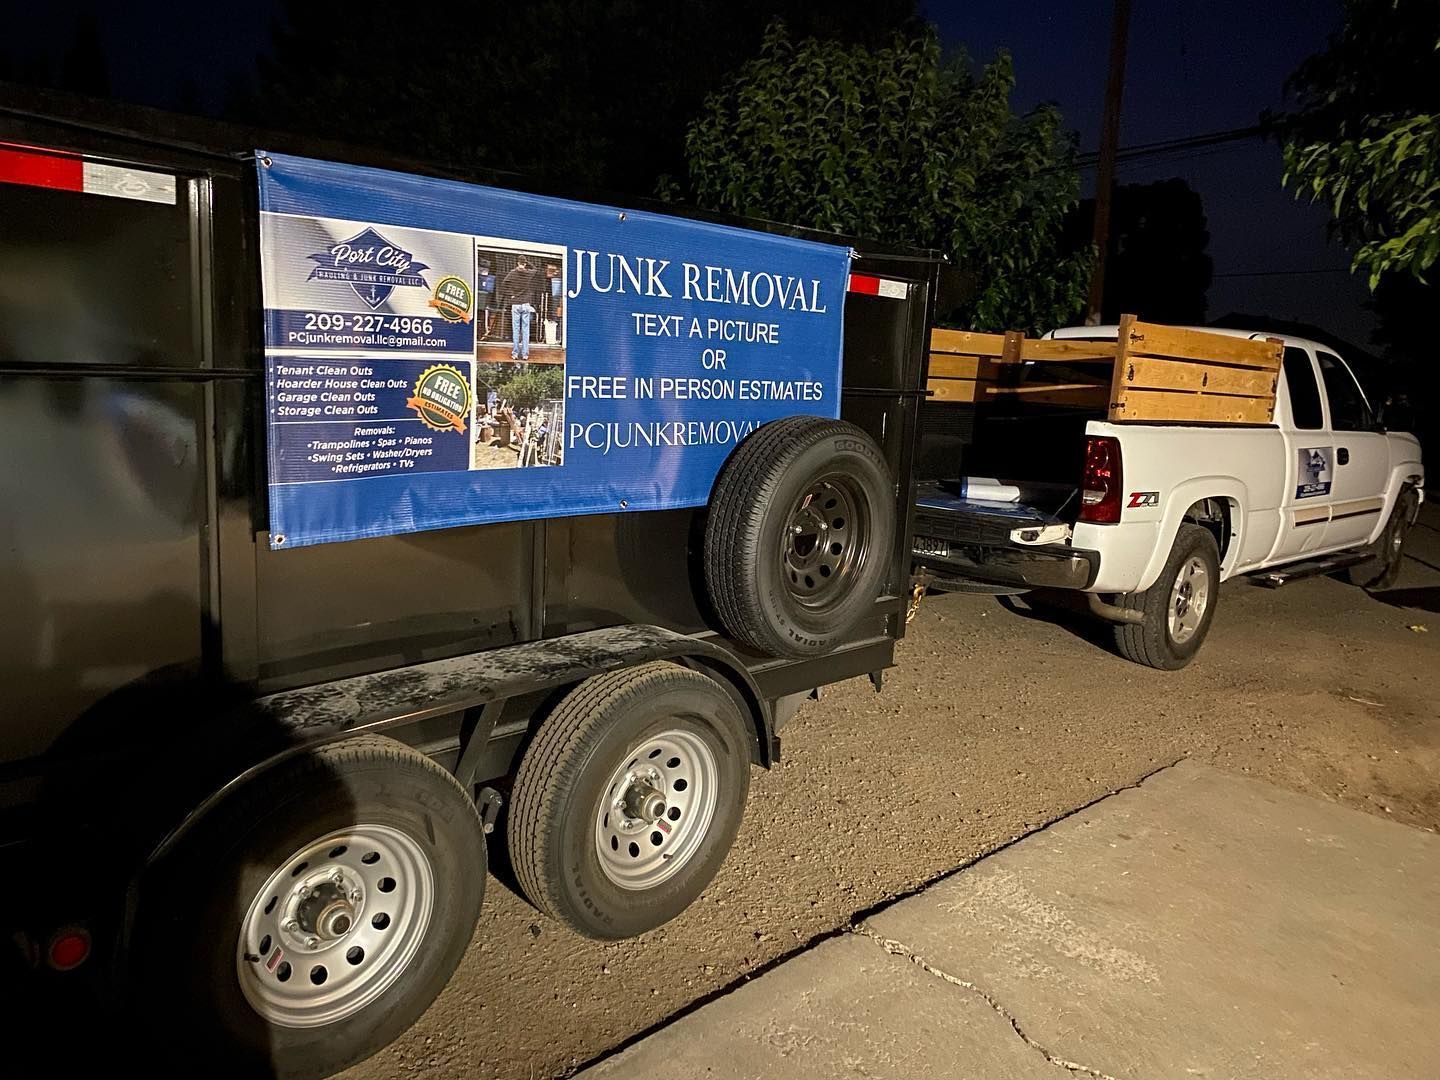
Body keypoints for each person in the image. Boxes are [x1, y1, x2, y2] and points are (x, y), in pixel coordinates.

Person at [498, 256, 544, 360]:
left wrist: (511, 294)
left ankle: (515, 354)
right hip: (526, 303)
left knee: (516, 329)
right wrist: (528, 262)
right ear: (525, 263)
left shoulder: (512, 273)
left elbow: (503, 285)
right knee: (525, 330)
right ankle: (525, 354)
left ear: (517, 262)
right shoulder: (529, 273)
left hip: (515, 304)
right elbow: (536, 270)